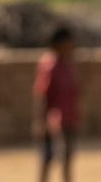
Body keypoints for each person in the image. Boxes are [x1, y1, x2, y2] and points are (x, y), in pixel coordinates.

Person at [33, 26, 80, 182]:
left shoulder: (67, 64)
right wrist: (40, 121)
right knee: (48, 157)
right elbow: (42, 94)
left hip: (68, 118)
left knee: (66, 156)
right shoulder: (50, 65)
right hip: (55, 120)